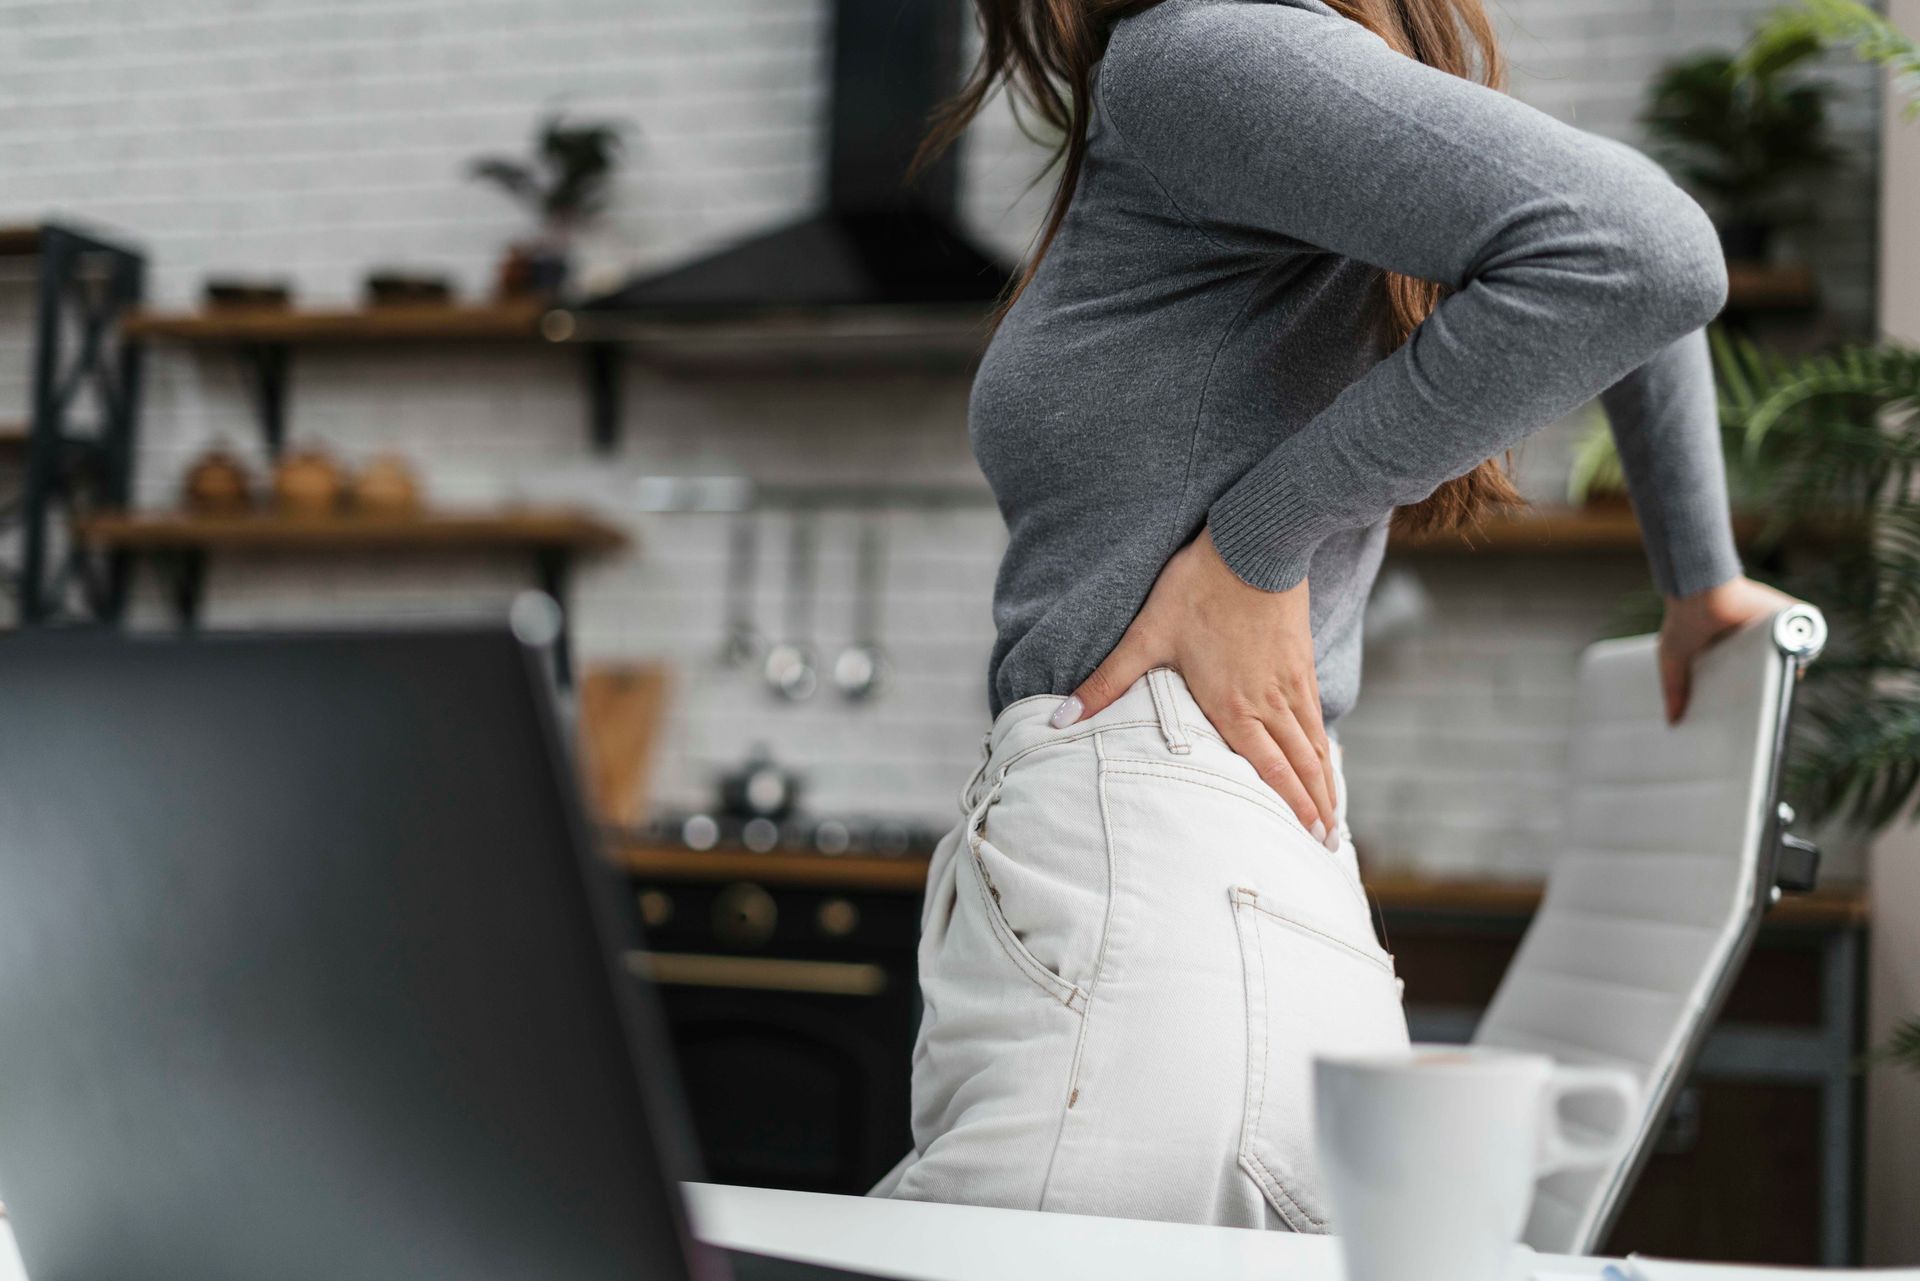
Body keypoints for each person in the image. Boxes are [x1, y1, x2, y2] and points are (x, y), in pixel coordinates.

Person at [874, 0, 1797, 1230]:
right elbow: (1630, 232)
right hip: (1205, 914)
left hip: (1154, 916)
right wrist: (1698, 578)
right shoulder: (1255, 71)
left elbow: (1643, 252)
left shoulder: (1192, 54)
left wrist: (1257, 546)